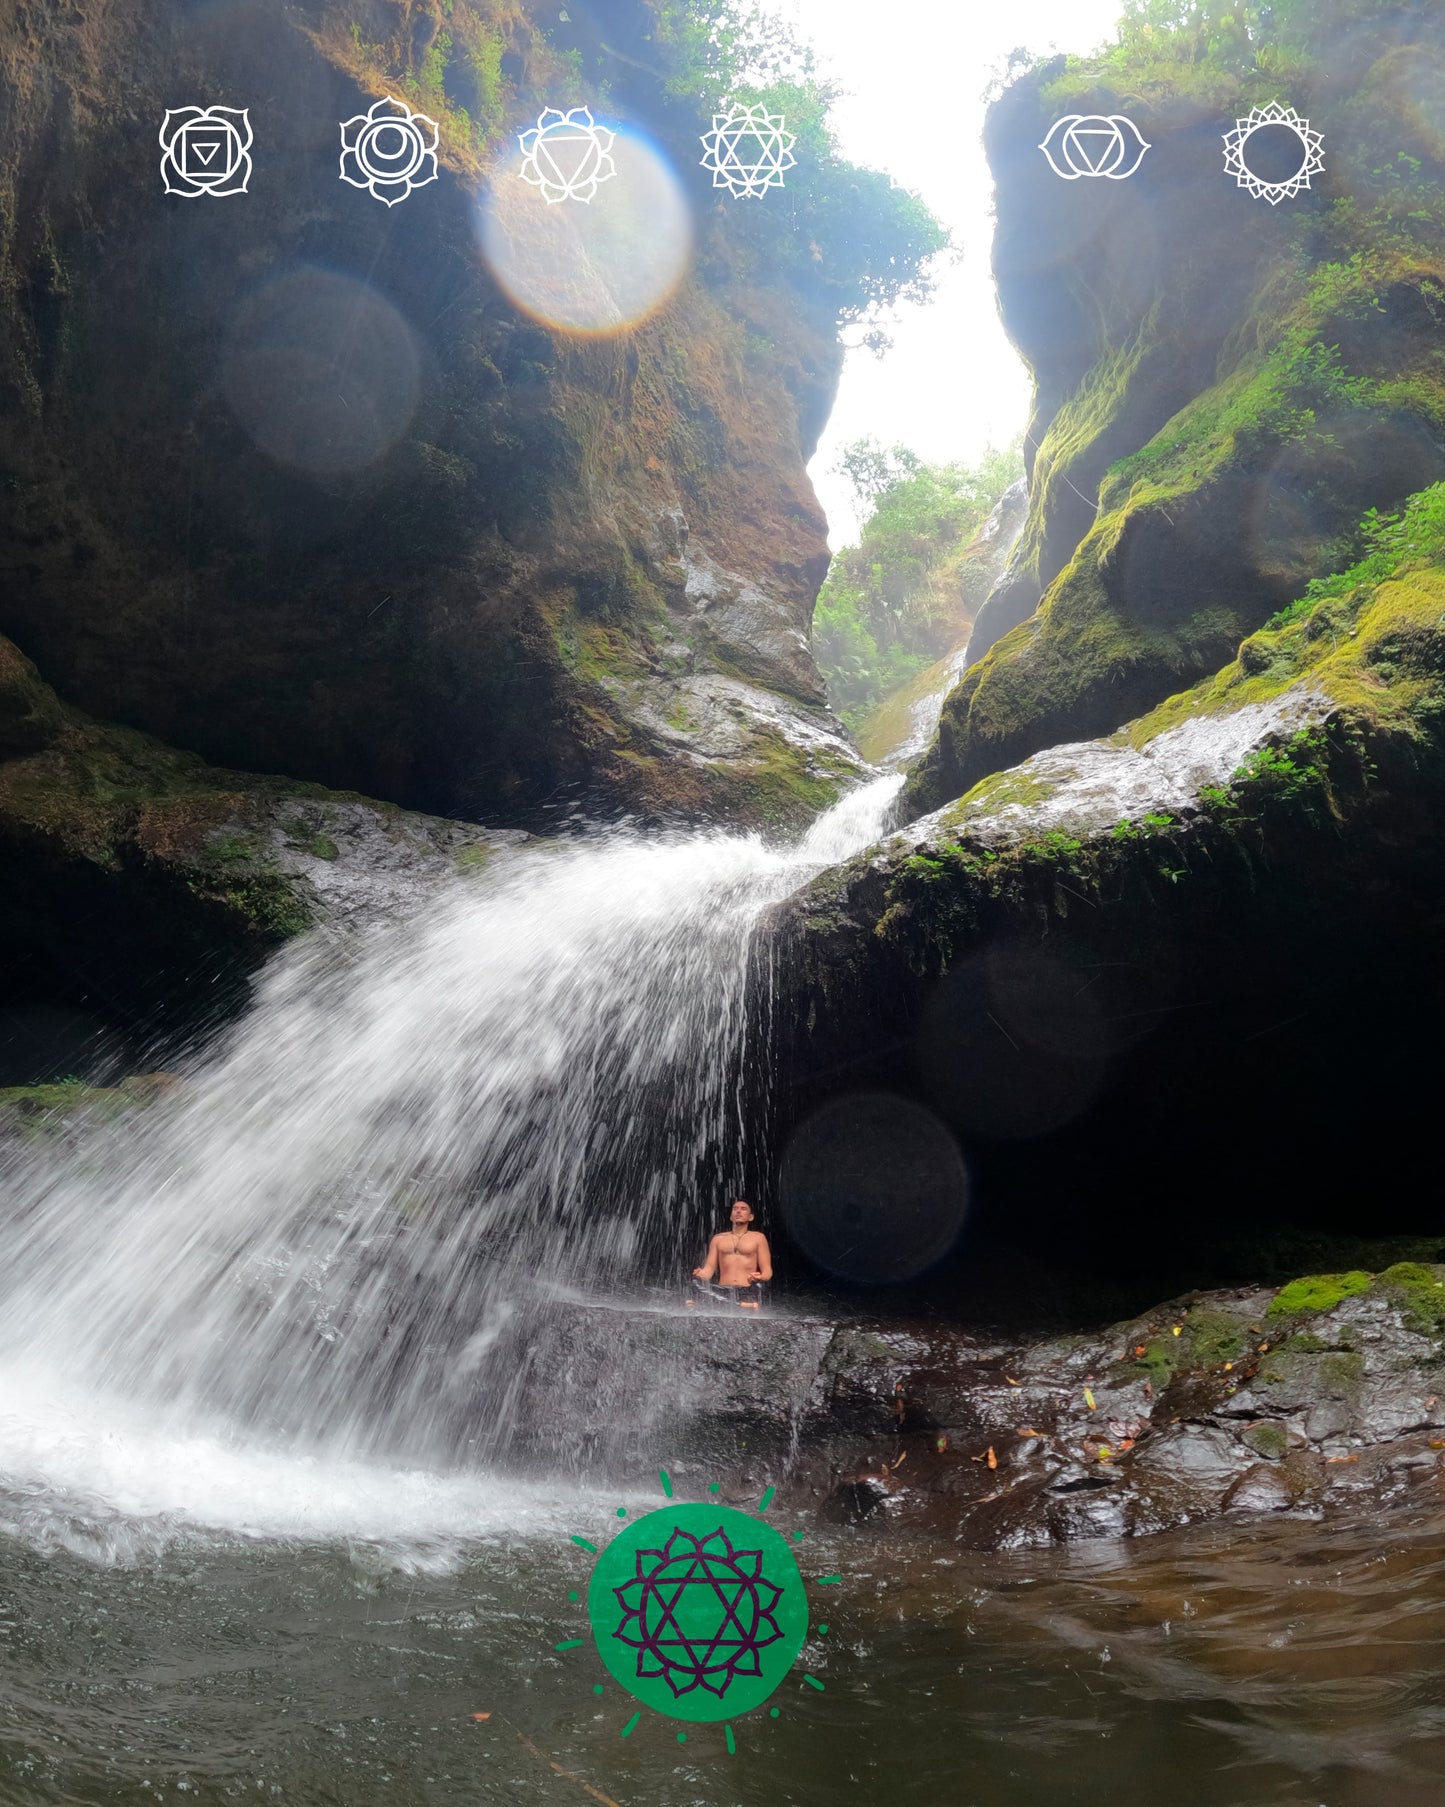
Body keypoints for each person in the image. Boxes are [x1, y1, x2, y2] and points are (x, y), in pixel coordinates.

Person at [690, 1200, 772, 1310]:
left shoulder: (758, 1238)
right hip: (723, 1289)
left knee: (761, 1287)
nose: (738, 1211)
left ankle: (720, 1303)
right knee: (693, 1284)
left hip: (747, 1288)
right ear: (731, 1216)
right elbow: (708, 1270)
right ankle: (741, 1305)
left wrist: (761, 1277)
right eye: (735, 1209)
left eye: (743, 1209)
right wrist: (700, 1273)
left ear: (750, 1217)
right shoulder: (718, 1239)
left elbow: (767, 1271)